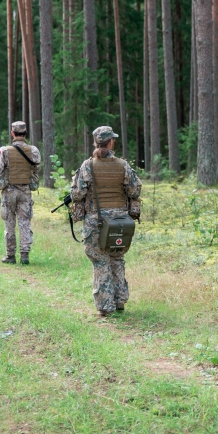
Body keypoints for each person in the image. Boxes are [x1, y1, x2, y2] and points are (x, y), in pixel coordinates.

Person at [70, 126, 142, 316]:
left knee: (101, 261)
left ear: (96, 143)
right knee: (117, 259)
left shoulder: (88, 166)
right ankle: (120, 302)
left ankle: (105, 307)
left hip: (97, 222)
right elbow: (135, 191)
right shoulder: (123, 165)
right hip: (120, 222)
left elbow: (77, 194)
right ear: (111, 142)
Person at [0, 121, 41, 265]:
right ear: (25, 133)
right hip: (25, 191)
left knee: (9, 223)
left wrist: (1, 184)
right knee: (25, 223)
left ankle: (10, 256)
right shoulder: (34, 150)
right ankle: (25, 255)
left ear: (13, 133)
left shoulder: (5, 151)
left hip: (9, 191)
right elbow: (36, 168)